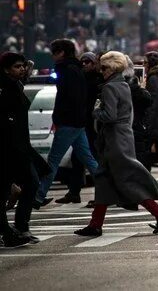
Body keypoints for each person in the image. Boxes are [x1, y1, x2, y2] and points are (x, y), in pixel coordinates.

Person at [75, 52, 158, 237]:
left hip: (115, 141)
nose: (101, 71)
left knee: (127, 181)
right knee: (103, 181)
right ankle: (95, 224)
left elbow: (110, 116)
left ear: (113, 68)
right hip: (121, 138)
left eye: (104, 67)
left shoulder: (110, 87)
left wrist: (95, 111)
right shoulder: (124, 84)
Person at [35, 39, 99, 207]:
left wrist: (59, 118)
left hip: (68, 122)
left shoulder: (66, 70)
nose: (52, 55)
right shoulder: (77, 69)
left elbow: (66, 99)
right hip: (78, 122)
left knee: (53, 160)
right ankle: (108, 189)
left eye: (54, 52)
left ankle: (38, 196)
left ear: (61, 53)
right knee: (88, 159)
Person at [1, 52, 46, 247]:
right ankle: (11, 231)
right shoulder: (4, 88)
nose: (21, 69)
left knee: (32, 182)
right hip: (8, 147)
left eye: (22, 66)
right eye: (17, 66)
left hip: (20, 146)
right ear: (6, 69)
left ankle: (19, 227)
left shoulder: (15, 85)